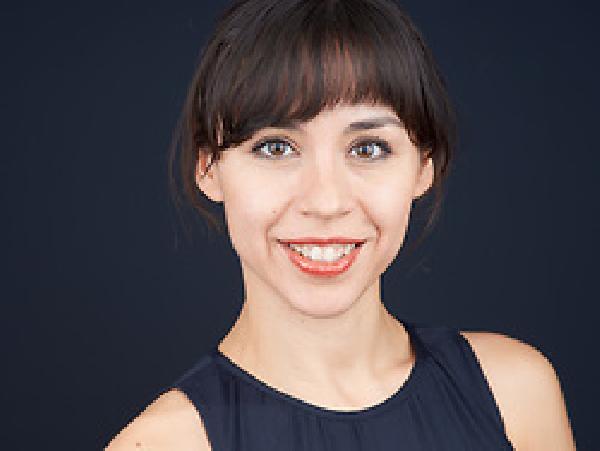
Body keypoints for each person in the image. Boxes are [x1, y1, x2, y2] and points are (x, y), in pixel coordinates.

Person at [106, 0, 576, 449]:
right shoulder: (163, 443)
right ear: (209, 167)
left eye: (368, 148)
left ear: (423, 167)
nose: (326, 202)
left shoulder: (514, 393)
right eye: (276, 147)